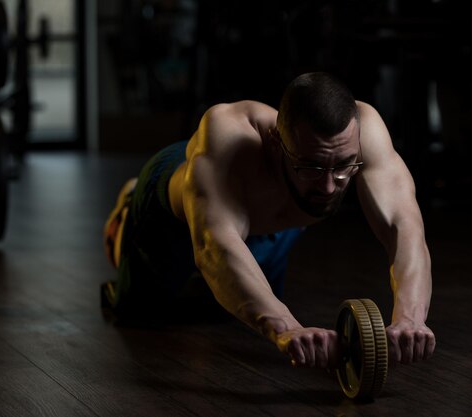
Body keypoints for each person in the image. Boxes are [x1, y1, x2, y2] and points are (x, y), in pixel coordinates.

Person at [102, 72, 436, 368]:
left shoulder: (365, 130)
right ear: (277, 141)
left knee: (230, 312)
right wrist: (289, 328)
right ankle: (127, 210)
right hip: (177, 214)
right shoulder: (230, 134)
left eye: (343, 166)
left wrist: (409, 319)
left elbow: (403, 227)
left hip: (269, 225)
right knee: (138, 313)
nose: (330, 185)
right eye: (312, 166)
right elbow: (213, 247)